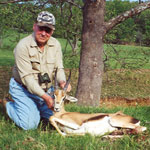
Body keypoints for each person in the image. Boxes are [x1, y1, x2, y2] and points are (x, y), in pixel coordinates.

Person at [3, 11, 71, 130]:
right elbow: (27, 79)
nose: (44, 33)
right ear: (35, 26)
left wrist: (62, 82)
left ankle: (35, 109)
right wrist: (46, 98)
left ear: (52, 31)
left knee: (60, 121)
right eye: (41, 28)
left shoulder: (56, 44)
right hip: (23, 89)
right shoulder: (22, 46)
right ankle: (7, 104)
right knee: (30, 125)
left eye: (48, 30)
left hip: (47, 90)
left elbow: (59, 68)